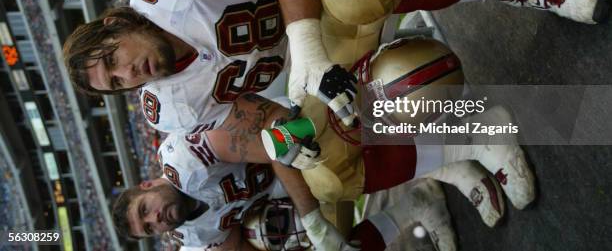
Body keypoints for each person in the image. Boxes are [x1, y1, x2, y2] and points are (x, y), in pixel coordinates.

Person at [63, 0, 609, 137]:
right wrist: (288, 140)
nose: (128, 73)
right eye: (117, 84)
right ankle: (477, 137)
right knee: (330, 159)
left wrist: (306, 49)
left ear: (114, 24)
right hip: (323, 70)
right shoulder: (171, 107)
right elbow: (260, 121)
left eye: (112, 59)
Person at [112, 94, 531, 251]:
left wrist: (312, 217)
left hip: (288, 125)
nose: (155, 219)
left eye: (145, 209)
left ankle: (473, 137)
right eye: (148, 227)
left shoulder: (184, 161)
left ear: (147, 184)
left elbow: (276, 143)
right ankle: (416, 204)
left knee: (326, 173)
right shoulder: (189, 236)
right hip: (286, 182)